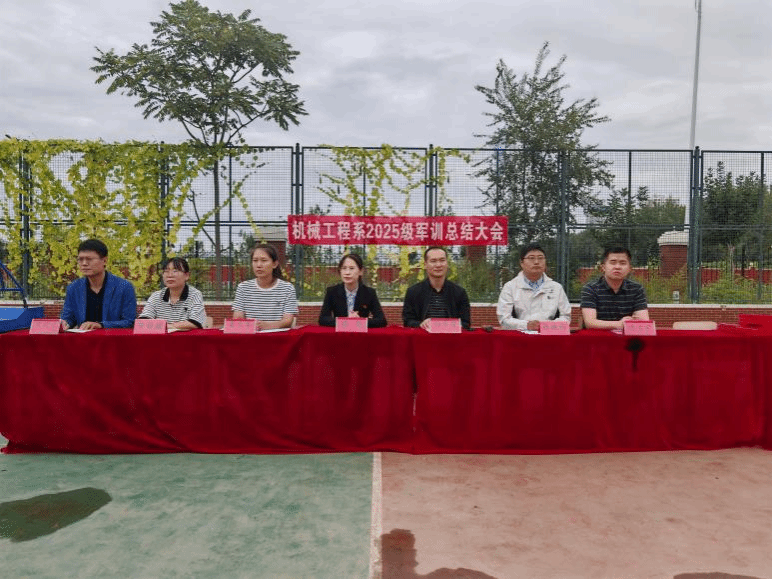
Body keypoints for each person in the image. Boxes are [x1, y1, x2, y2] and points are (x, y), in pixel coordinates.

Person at [60, 238, 137, 330]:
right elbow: (68, 317)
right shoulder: (74, 287)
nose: (84, 263)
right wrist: (65, 323)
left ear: (104, 261)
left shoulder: (124, 287)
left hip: (113, 338)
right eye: (80, 259)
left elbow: (130, 322)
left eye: (89, 259)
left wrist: (101, 325)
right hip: (82, 338)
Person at [496, 242, 571, 331]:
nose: (536, 262)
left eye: (540, 258)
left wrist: (545, 326)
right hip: (520, 335)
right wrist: (526, 325)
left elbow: (566, 317)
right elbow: (504, 319)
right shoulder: (510, 287)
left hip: (549, 335)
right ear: (521, 263)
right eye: (531, 258)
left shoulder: (556, 287)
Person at [580, 246, 649, 330]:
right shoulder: (590, 289)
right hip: (597, 336)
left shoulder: (637, 289)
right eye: (613, 262)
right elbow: (590, 323)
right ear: (603, 267)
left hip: (626, 336)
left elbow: (643, 321)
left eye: (622, 263)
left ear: (629, 268)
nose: (617, 267)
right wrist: (620, 324)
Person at [402, 246, 471, 330]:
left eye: (442, 260)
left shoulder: (459, 293)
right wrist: (421, 324)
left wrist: (443, 325)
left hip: (451, 337)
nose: (438, 265)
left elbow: (465, 323)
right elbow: (407, 321)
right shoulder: (413, 292)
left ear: (447, 263)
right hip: (423, 337)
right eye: (433, 261)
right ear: (425, 265)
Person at [232, 244, 298, 330]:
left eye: (264, 260)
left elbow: (288, 320)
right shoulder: (243, 288)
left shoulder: (287, 288)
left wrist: (268, 326)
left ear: (275, 264)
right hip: (250, 335)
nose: (259, 265)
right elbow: (237, 318)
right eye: (255, 260)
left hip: (277, 336)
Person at [318, 253, 387, 328]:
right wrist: (346, 321)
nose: (347, 273)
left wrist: (359, 321)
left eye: (351, 268)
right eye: (344, 268)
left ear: (361, 271)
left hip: (360, 333)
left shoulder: (369, 293)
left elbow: (382, 320)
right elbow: (323, 319)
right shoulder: (332, 292)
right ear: (340, 271)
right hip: (340, 333)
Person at [138, 257, 207, 330]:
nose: (170, 275)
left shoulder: (195, 295)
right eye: (166, 271)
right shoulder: (156, 296)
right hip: (161, 337)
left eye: (175, 271)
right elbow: (142, 322)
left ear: (186, 275)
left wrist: (163, 326)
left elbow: (195, 323)